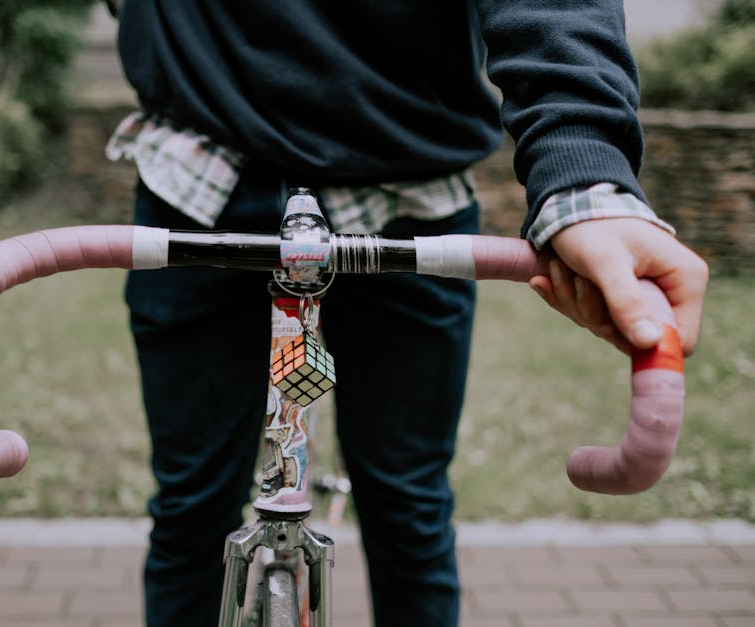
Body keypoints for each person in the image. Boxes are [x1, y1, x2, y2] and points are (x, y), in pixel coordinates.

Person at [104, 2, 709, 626]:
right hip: (196, 180)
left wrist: (582, 173)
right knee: (191, 508)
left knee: (409, 509)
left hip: (410, 191)